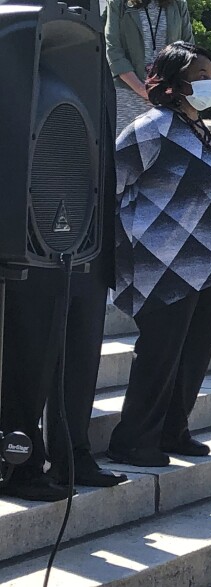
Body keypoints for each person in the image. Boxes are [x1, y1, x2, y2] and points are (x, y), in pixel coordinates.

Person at [107, 42, 211, 467]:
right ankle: (133, 439)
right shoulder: (149, 128)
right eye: (201, 73)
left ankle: (173, 429)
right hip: (161, 260)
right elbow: (112, 185)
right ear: (173, 82)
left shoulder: (196, 129)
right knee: (160, 352)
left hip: (207, 262)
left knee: (194, 351)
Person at [0, 61, 127, 502]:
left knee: (81, 359)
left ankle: (74, 454)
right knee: (29, 364)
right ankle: (21, 464)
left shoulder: (90, 63)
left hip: (87, 238)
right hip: (32, 241)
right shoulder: (20, 50)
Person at [105, 0, 194, 134]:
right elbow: (113, 50)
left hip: (169, 97)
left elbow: (189, 51)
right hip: (129, 95)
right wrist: (143, 90)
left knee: (167, 152)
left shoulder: (178, 4)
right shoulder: (118, 3)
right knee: (128, 151)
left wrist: (170, 90)